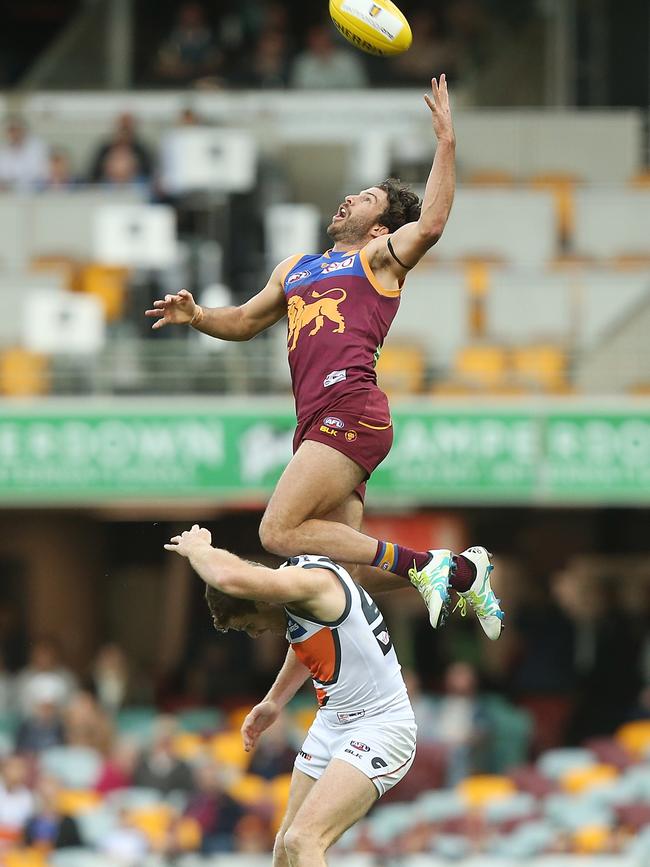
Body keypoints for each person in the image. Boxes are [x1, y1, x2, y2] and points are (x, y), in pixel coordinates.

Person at [146, 77, 503, 643]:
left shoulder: (379, 260)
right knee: (348, 572)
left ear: (382, 226)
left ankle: (424, 566)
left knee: (278, 531)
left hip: (352, 407)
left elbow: (431, 224)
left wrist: (446, 144)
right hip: (315, 421)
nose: (349, 199)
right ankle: (462, 573)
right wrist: (198, 316)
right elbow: (242, 322)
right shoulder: (294, 267)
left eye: (366, 198)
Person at [164, 523, 421, 866]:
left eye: (247, 625)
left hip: (380, 728)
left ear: (259, 598)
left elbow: (228, 579)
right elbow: (308, 643)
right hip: (332, 723)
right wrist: (274, 701)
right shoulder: (297, 599)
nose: (254, 635)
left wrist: (198, 548)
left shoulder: (310, 583)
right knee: (285, 847)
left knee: (303, 840)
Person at [289, 23, 368, 90]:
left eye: (322, 36)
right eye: (315, 38)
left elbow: (359, 90)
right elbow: (297, 93)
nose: (319, 41)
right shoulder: (303, 63)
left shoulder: (348, 60)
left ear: (329, 38)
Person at [0, 116, 48, 191]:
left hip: (36, 191)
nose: (13, 133)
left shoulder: (38, 147)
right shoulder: (3, 151)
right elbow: (3, 175)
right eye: (10, 130)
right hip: (9, 192)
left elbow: (43, 173)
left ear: (24, 130)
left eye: (16, 129)